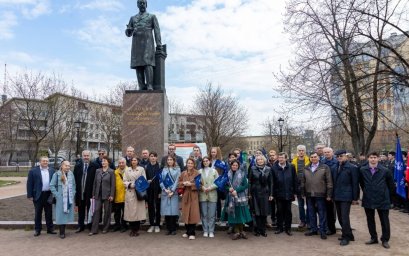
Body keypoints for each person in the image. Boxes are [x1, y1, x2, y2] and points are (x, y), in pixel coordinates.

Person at [359, 152, 394, 249]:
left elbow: (391, 186)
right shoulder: (362, 170)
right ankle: (373, 238)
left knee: (384, 220)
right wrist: (367, 191)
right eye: (371, 157)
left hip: (382, 199)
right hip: (368, 198)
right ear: (368, 158)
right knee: (370, 220)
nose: (373, 159)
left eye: (375, 157)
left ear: (378, 158)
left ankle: (385, 239)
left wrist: (389, 198)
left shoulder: (385, 170)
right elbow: (362, 183)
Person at [125, 0, 162, 91]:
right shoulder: (133, 18)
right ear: (137, 5)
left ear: (146, 4)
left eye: (143, 3)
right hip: (136, 42)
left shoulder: (152, 16)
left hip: (148, 42)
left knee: (147, 63)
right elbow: (128, 32)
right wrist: (129, 31)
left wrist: (159, 44)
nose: (142, 5)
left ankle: (149, 85)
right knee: (138, 64)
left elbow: (157, 31)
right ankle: (141, 85)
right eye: (140, 3)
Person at [301, 152, 333, 240]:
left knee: (322, 213)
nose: (313, 158)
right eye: (312, 157)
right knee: (311, 213)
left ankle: (323, 230)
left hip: (321, 194)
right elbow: (303, 181)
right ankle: (313, 229)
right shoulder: (306, 168)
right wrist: (303, 193)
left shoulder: (325, 167)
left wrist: (329, 194)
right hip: (309, 194)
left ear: (319, 158)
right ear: (310, 158)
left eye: (315, 157)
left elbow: (329, 182)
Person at [333, 150, 359, 246]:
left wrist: (355, 198)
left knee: (344, 217)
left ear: (346, 156)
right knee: (340, 217)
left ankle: (346, 237)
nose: (339, 157)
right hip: (337, 195)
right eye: (338, 156)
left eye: (341, 156)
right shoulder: (335, 167)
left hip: (346, 196)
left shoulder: (352, 167)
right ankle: (349, 235)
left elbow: (355, 183)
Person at [222, 160, 252, 240]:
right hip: (231, 197)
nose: (234, 166)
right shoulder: (227, 174)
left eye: (236, 165)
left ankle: (242, 231)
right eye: (233, 165)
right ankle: (237, 232)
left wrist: (237, 190)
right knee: (233, 214)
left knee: (240, 214)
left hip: (240, 197)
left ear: (238, 166)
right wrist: (229, 189)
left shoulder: (242, 174)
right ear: (231, 165)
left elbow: (245, 185)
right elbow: (225, 185)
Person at [27, 156, 56, 236]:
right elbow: (29, 184)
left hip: (48, 194)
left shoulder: (52, 170)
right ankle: (37, 229)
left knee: (49, 213)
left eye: (47, 161)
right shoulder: (33, 171)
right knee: (38, 213)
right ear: (40, 162)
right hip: (38, 195)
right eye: (43, 161)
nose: (45, 162)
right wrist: (29, 195)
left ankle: (50, 229)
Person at [272, 152, 297, 236]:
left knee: (288, 211)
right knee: (279, 211)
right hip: (279, 193)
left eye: (282, 157)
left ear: (286, 158)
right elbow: (273, 182)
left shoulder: (291, 167)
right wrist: (273, 193)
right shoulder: (274, 167)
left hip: (289, 193)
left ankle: (288, 228)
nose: (280, 159)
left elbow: (294, 180)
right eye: (279, 157)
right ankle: (279, 228)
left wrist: (295, 192)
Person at [89, 156, 115, 236]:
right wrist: (93, 194)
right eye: (102, 161)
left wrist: (111, 195)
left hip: (107, 195)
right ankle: (94, 229)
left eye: (105, 161)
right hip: (97, 194)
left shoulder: (111, 171)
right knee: (96, 211)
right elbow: (94, 183)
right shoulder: (98, 171)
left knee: (107, 211)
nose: (103, 162)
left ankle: (105, 228)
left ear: (108, 162)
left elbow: (113, 184)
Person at [50, 161, 76, 239]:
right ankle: (62, 232)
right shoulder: (57, 174)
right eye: (66, 165)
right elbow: (52, 186)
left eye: (69, 166)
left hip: (69, 197)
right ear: (62, 166)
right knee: (61, 215)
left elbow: (74, 185)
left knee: (66, 214)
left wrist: (73, 193)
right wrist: (57, 195)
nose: (68, 167)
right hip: (61, 199)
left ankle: (64, 230)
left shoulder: (71, 174)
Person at [249, 155, 273, 237]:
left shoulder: (268, 169)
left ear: (264, 160)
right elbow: (250, 182)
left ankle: (263, 230)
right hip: (255, 193)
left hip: (265, 193)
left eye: (261, 159)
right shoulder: (253, 168)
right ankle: (257, 229)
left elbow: (271, 182)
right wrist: (249, 193)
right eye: (258, 159)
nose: (259, 161)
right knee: (256, 212)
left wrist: (271, 194)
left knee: (264, 212)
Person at [73, 150, 97, 232]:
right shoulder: (77, 166)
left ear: (90, 156)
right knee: (81, 210)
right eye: (84, 155)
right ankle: (81, 226)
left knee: (90, 210)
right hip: (80, 192)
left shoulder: (95, 166)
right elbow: (74, 180)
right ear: (82, 156)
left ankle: (90, 226)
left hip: (90, 193)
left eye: (87, 155)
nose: (86, 157)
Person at [123, 156, 147, 237]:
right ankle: (132, 230)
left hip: (139, 192)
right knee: (130, 212)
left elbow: (144, 180)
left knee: (138, 212)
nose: (133, 161)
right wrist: (130, 185)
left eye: (135, 160)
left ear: (138, 161)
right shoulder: (127, 169)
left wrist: (136, 185)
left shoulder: (141, 169)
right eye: (132, 160)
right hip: (130, 192)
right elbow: (124, 180)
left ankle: (136, 230)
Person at [178, 158, 201, 240]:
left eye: (191, 163)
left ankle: (192, 232)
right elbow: (179, 183)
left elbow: (199, 184)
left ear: (194, 164)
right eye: (188, 163)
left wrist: (191, 184)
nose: (190, 164)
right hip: (185, 195)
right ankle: (187, 231)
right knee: (185, 213)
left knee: (192, 214)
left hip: (193, 195)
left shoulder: (197, 173)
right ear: (186, 164)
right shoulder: (183, 173)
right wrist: (183, 183)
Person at [160, 155, 181, 235]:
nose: (169, 161)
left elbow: (177, 181)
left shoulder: (178, 169)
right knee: (167, 211)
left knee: (173, 211)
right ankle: (168, 229)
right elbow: (161, 180)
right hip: (165, 192)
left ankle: (173, 228)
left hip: (173, 192)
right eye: (168, 160)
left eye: (171, 159)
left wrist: (172, 190)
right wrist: (165, 189)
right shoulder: (164, 169)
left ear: (174, 160)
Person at [198, 156, 219, 238]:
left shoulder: (214, 171)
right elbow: (198, 182)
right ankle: (205, 230)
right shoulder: (199, 171)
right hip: (203, 194)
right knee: (204, 214)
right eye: (204, 161)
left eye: (207, 161)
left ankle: (211, 230)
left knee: (212, 214)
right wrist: (202, 187)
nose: (205, 162)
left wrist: (210, 187)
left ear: (209, 162)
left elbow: (218, 182)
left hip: (212, 194)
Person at [291, 145, 310, 228]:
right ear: (297, 151)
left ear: (305, 151)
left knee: (309, 205)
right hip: (298, 186)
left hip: (308, 185)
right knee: (301, 205)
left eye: (302, 150)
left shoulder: (309, 160)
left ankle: (309, 221)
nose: (301, 152)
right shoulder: (293, 161)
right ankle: (303, 221)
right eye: (299, 150)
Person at [322, 147, 338, 236]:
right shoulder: (321, 162)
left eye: (328, 152)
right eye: (325, 152)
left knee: (333, 210)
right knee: (327, 210)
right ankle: (328, 227)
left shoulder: (337, 162)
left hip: (334, 188)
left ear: (332, 153)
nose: (327, 153)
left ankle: (332, 228)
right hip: (324, 189)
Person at [145, 151, 162, 233]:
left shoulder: (160, 167)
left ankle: (157, 225)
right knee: (151, 208)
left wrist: (160, 192)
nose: (153, 157)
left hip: (157, 190)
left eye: (154, 156)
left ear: (156, 157)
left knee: (158, 208)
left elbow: (162, 180)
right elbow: (144, 178)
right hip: (149, 191)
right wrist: (146, 181)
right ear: (149, 157)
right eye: (151, 156)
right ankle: (152, 224)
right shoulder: (146, 167)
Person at [112, 158, 128, 232]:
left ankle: (124, 225)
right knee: (117, 212)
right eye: (120, 163)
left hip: (126, 196)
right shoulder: (115, 172)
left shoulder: (129, 171)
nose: (121, 164)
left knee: (125, 213)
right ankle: (117, 225)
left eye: (122, 163)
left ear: (125, 163)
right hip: (117, 195)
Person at [209, 146, 225, 221]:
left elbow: (222, 173)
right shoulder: (208, 161)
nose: (213, 154)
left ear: (217, 153)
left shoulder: (221, 162)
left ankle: (218, 216)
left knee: (217, 200)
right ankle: (211, 216)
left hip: (217, 184)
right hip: (208, 183)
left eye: (214, 152)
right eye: (212, 152)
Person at [266, 149, 278, 227]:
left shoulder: (278, 164)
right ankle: (273, 219)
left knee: (279, 205)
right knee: (272, 205)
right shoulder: (266, 164)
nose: (272, 157)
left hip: (278, 187)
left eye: (273, 155)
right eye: (270, 155)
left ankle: (279, 219)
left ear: (276, 156)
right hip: (269, 187)